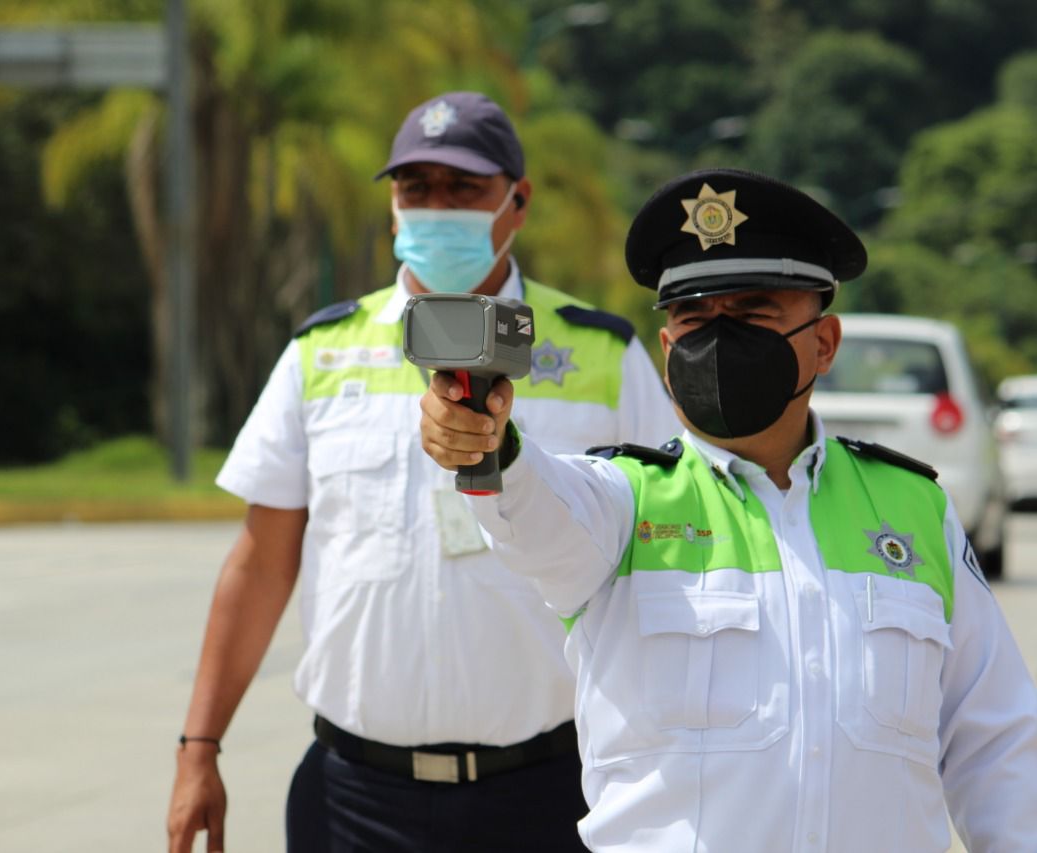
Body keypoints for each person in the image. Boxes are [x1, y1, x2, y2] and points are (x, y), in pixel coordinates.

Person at [419, 168, 1037, 851]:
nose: (719, 338)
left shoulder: (914, 507)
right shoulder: (623, 499)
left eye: (754, 312)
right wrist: (488, 445)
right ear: (667, 352)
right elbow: (534, 514)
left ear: (824, 343)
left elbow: (994, 747)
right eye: (694, 318)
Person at [166, 90, 680, 853]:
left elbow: (669, 550)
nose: (436, 207)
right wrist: (198, 747)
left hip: (552, 792)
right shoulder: (321, 352)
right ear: (393, 208)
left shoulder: (602, 353)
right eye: (415, 188)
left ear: (517, 201)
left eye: (463, 188)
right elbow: (262, 561)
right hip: (355, 799)